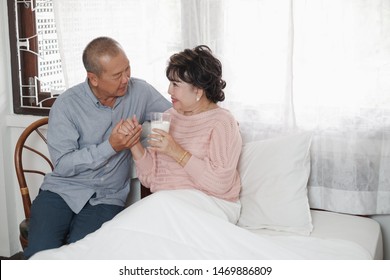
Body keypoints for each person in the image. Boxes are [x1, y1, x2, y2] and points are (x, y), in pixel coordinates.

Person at [24, 36, 171, 259]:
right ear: (93, 78)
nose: (126, 78)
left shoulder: (140, 92)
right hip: (62, 191)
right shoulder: (67, 105)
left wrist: (215, 118)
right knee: (40, 255)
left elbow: (178, 115)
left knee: (85, 257)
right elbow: (63, 165)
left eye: (127, 68)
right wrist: (110, 147)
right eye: (117, 75)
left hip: (107, 198)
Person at [120, 45, 242, 223]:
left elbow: (220, 185)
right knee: (127, 225)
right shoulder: (169, 117)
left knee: (149, 215)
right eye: (170, 83)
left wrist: (175, 151)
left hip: (212, 204)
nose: (169, 90)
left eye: (176, 84)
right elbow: (151, 179)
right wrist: (133, 144)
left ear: (198, 91)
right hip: (169, 203)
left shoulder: (222, 122)